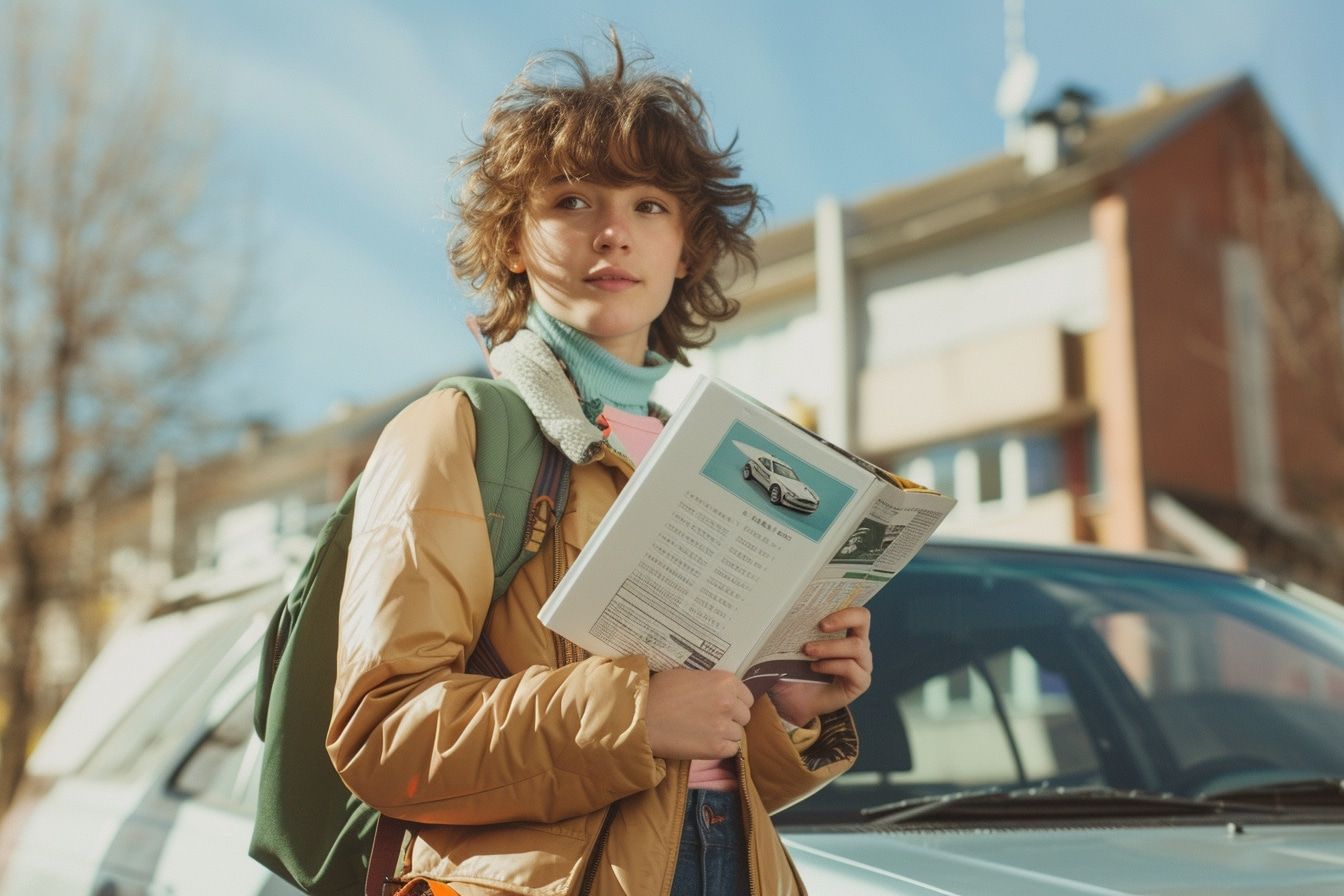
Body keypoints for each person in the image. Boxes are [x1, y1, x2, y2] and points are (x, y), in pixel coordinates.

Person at [327, 33, 871, 896]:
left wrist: (787, 710)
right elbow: (382, 733)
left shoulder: (706, 454)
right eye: (572, 200)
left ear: (687, 249)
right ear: (512, 242)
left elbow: (672, 788)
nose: (613, 232)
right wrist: (635, 714)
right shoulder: (459, 431)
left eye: (650, 205)